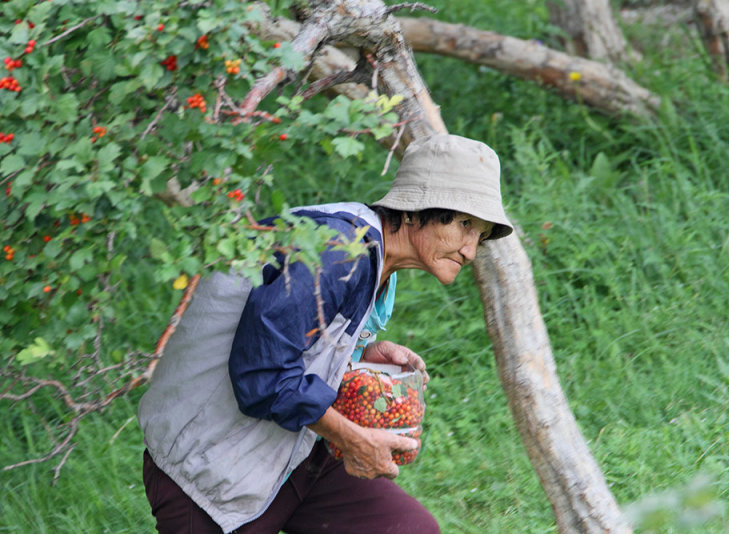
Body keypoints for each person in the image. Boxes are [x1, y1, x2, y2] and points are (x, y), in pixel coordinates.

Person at [137, 134, 514, 533]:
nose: (471, 250)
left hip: (293, 457)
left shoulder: (375, 257)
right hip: (210, 473)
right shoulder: (335, 252)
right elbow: (262, 377)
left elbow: (294, 339)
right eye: (464, 225)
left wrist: (362, 356)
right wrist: (353, 440)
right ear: (414, 208)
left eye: (482, 234)